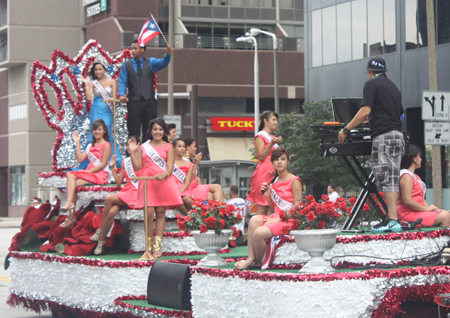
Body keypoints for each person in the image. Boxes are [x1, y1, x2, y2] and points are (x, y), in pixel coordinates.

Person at [338, 56, 405, 233]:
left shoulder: (371, 84)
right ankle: (390, 219)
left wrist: (346, 129)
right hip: (397, 135)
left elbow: (364, 111)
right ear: (385, 71)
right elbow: (401, 115)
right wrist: (376, 118)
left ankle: (392, 220)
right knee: (388, 176)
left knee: (388, 177)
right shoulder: (393, 87)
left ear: (369, 72)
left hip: (384, 136)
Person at [235, 148, 302, 270]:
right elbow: (274, 208)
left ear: (288, 162)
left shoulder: (294, 181)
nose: (279, 162)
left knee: (259, 233)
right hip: (276, 217)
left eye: (283, 159)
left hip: (289, 220)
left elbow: (297, 209)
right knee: (254, 220)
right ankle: (250, 258)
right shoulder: (274, 183)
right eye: (276, 159)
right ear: (273, 163)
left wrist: (276, 220)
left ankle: (257, 262)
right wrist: (267, 195)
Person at [128, 118, 183, 260]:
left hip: (162, 181)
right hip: (147, 182)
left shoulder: (169, 147)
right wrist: (133, 152)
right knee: (148, 213)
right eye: (155, 129)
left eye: (160, 129)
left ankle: (157, 247)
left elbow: (170, 167)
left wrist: (164, 174)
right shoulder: (144, 147)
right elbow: (137, 167)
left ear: (164, 131)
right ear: (150, 131)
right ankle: (148, 247)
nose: (157, 132)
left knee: (160, 213)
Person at [60, 119, 112, 228]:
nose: (97, 131)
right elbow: (80, 159)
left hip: (99, 174)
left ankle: (70, 205)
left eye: (99, 129)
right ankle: (71, 214)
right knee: (73, 184)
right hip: (90, 174)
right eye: (95, 129)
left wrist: (87, 172)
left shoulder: (107, 145)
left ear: (104, 131)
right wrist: (77, 143)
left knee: (70, 175)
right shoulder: (90, 145)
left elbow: (102, 165)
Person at [118, 40, 173, 142]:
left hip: (149, 101)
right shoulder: (127, 65)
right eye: (132, 48)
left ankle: (147, 153)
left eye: (135, 48)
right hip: (134, 101)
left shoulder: (150, 62)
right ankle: (133, 154)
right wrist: (121, 94)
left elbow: (162, 63)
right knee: (133, 131)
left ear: (142, 50)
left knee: (149, 130)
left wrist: (168, 55)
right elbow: (122, 81)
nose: (132, 51)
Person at [91, 147, 141, 255]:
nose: (130, 148)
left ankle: (100, 230)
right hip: (126, 191)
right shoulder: (125, 162)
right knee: (111, 212)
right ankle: (101, 242)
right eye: (128, 145)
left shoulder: (143, 161)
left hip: (137, 193)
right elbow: (119, 181)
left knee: (109, 199)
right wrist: (113, 167)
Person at [80, 56, 122, 168]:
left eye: (100, 69)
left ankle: (111, 161)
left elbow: (114, 98)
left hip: (107, 110)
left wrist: (113, 100)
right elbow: (89, 98)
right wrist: (86, 84)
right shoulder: (93, 83)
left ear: (104, 69)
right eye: (96, 70)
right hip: (96, 110)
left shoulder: (112, 81)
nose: (98, 71)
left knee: (107, 133)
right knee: (95, 133)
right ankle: (91, 161)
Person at [397, 145, 450, 227]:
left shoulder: (416, 176)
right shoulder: (406, 176)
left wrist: (432, 209)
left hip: (416, 212)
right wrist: (427, 209)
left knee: (444, 214)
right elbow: (407, 201)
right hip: (406, 215)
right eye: (419, 156)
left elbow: (421, 199)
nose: (421, 159)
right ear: (414, 158)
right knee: (445, 216)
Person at [247, 111, 282, 216]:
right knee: (263, 207)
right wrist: (272, 143)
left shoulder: (271, 136)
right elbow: (261, 156)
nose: (275, 122)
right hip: (265, 171)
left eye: (276, 120)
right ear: (265, 121)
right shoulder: (260, 136)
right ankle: (256, 230)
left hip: (274, 170)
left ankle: (266, 231)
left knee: (271, 207)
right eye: (273, 120)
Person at [172, 139, 224, 210]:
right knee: (212, 195)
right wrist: (195, 164)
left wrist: (195, 164)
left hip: (191, 185)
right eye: (179, 146)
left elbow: (192, 178)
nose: (182, 148)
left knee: (217, 189)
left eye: (183, 146)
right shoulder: (170, 162)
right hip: (186, 187)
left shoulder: (188, 162)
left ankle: (222, 212)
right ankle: (218, 213)